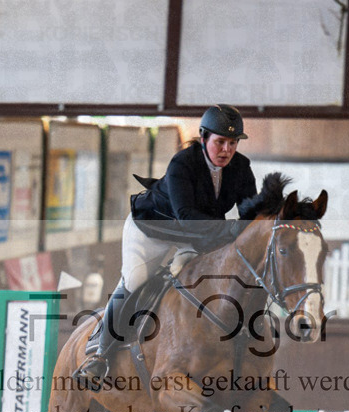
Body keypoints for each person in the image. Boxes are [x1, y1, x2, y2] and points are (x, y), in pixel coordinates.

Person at [74, 104, 258, 388]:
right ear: (204, 138)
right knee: (135, 279)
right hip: (151, 229)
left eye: (232, 143)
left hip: (194, 235)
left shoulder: (241, 168)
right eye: (220, 142)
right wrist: (232, 229)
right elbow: (186, 216)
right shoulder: (183, 163)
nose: (227, 150)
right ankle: (100, 353)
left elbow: (251, 212)